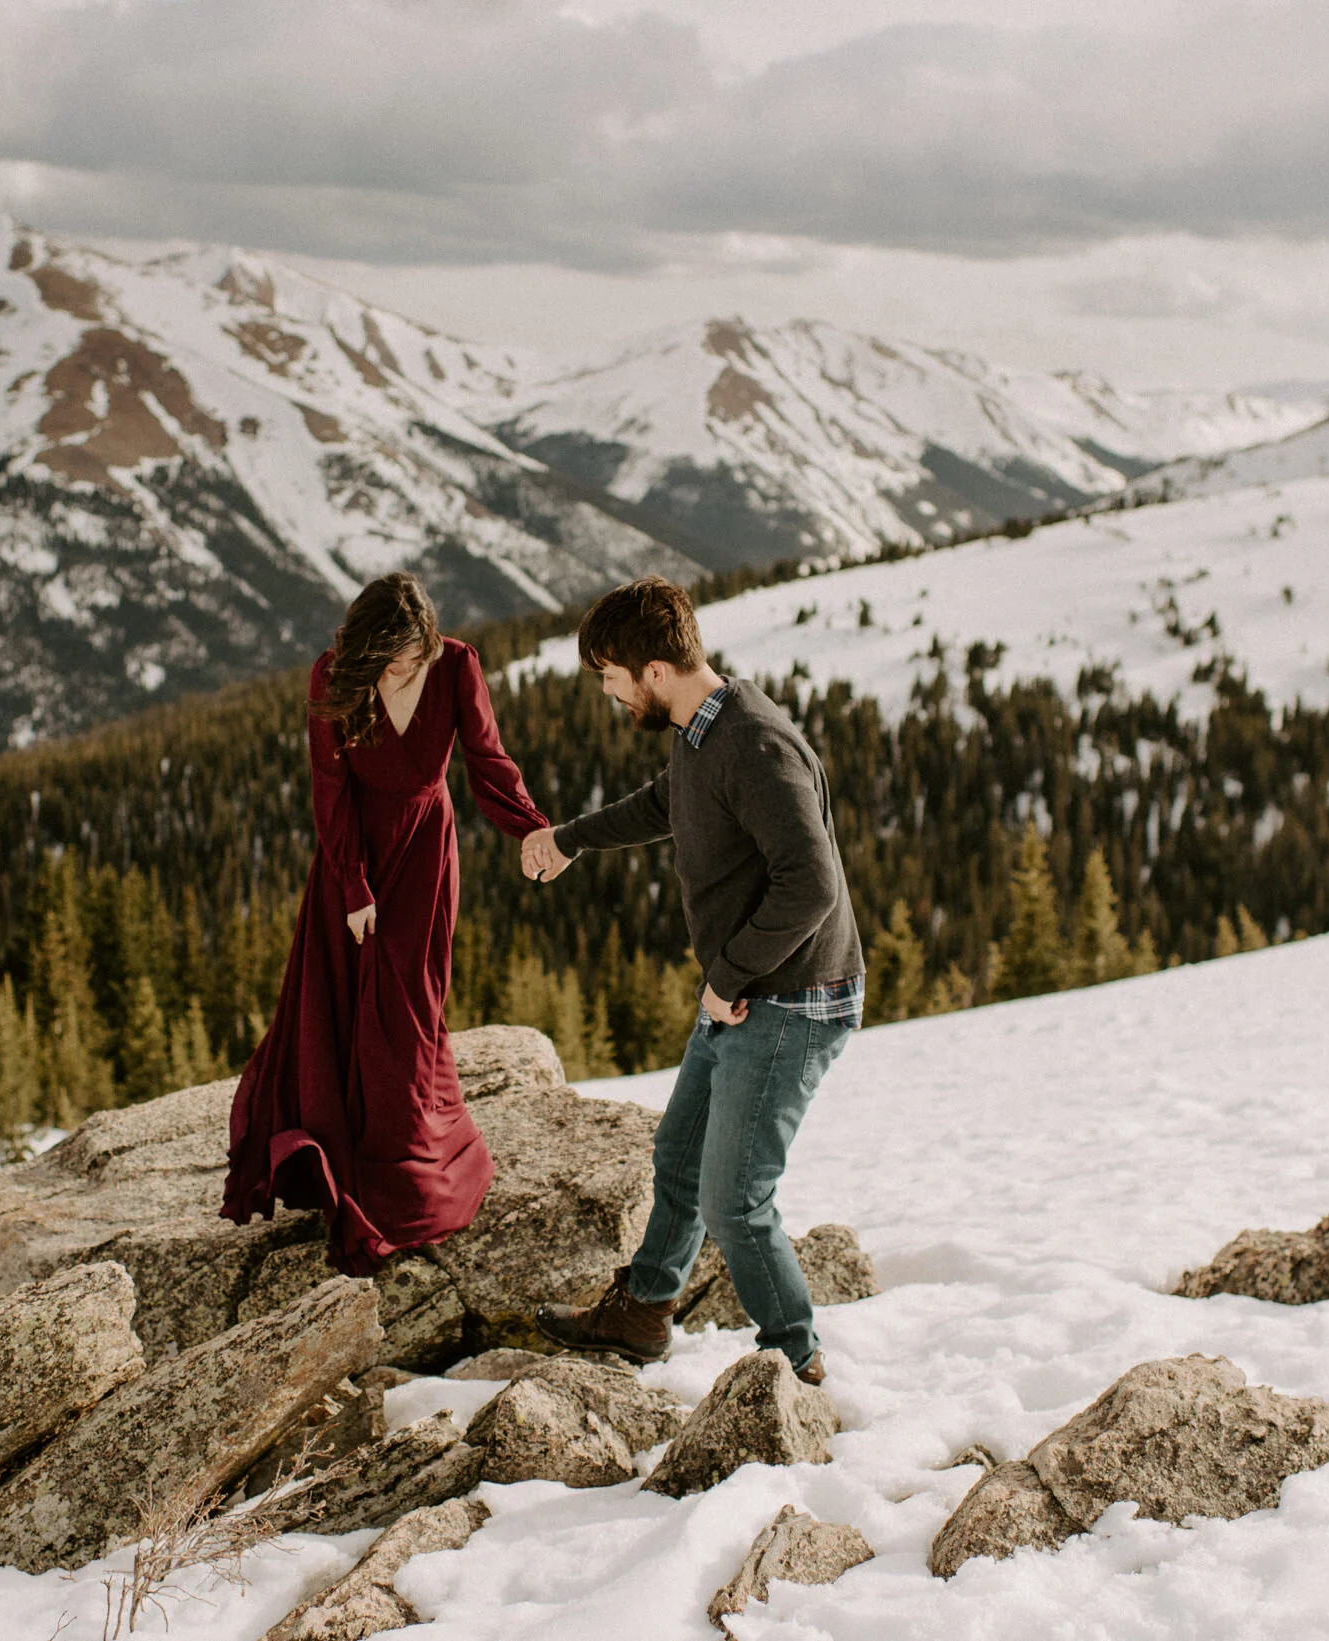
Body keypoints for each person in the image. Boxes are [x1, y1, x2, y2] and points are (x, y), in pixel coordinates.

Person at [520, 577, 863, 1385]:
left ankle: (797, 1366)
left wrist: (729, 975)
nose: (606, 692)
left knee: (735, 1203)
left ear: (653, 671)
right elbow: (667, 802)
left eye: (609, 675)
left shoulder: (752, 741)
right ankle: (643, 1312)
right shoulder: (699, 731)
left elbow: (810, 883)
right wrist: (571, 838)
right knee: (678, 1153)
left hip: (790, 1001)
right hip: (746, 991)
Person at [222, 572, 551, 1276]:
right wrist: (352, 884)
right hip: (355, 862)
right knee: (338, 1015)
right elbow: (330, 787)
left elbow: (488, 761)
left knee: (410, 1015)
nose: (405, 668)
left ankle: (409, 1182)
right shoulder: (335, 675)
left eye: (413, 654)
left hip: (427, 856)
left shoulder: (456, 664)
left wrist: (532, 831)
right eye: (393, 656)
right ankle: (341, 1168)